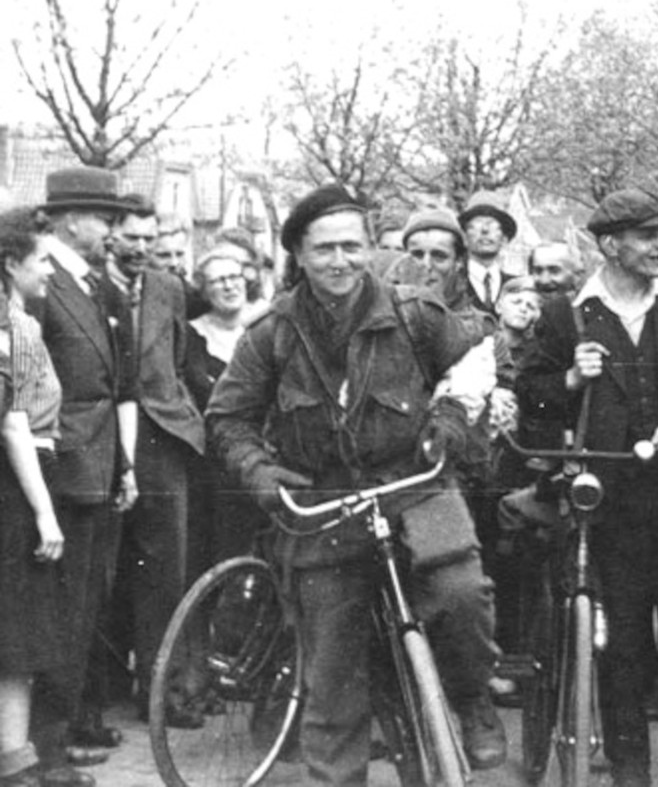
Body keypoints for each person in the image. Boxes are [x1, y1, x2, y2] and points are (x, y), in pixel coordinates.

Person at [206, 185, 508, 785]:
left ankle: (472, 699)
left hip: (415, 486)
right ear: (298, 253)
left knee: (461, 594)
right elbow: (228, 419)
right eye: (324, 249)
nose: (340, 261)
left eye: (352, 246)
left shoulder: (413, 313)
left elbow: (478, 354)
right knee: (334, 675)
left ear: (371, 249)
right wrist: (262, 474)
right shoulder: (271, 334)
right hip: (326, 506)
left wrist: (450, 416)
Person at [519, 188, 658, 787]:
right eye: (647, 236)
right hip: (610, 506)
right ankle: (631, 776)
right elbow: (530, 397)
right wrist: (569, 376)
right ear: (611, 244)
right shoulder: (566, 313)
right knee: (621, 654)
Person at [26, 168, 138, 775]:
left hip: (94, 466)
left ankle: (57, 742)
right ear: (71, 220)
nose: (114, 231)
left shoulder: (91, 283)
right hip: (60, 469)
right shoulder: (43, 284)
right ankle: (43, 753)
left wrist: (122, 464)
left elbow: (111, 383)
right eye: (105, 219)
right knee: (60, 613)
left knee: (85, 608)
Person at [99, 196, 205, 724]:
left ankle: (161, 694)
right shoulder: (92, 285)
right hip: (102, 436)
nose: (141, 248)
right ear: (109, 235)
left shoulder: (168, 289)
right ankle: (100, 692)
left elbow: (178, 359)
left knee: (166, 570)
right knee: (104, 567)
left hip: (163, 437)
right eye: (131, 237)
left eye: (149, 238)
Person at [0, 207, 88, 787]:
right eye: (39, 263)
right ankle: (15, 762)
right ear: (11, 265)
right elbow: (13, 425)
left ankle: (20, 756)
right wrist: (45, 512)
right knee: (21, 630)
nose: (48, 274)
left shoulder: (18, 320)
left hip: (25, 469)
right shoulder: (12, 326)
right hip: (20, 478)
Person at [184, 249, 262, 576]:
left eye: (234, 277)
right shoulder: (190, 336)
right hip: (214, 466)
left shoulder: (265, 326)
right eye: (218, 280)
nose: (229, 286)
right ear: (203, 290)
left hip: (265, 454)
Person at [459, 192, 517, 315]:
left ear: (504, 239)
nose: (485, 230)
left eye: (492, 225)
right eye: (476, 224)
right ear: (464, 237)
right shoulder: (452, 284)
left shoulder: (515, 288)